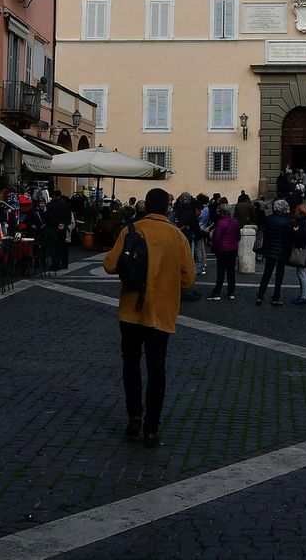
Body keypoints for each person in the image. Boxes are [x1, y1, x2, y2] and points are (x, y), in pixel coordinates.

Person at [103, 187, 194, 448]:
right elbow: (188, 280)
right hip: (161, 314)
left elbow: (109, 265)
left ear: (146, 206)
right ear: (167, 208)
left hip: (131, 312)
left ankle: (134, 414)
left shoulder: (130, 230)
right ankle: (152, 428)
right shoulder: (177, 237)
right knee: (157, 369)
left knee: (130, 364)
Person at [256, 199, 293, 307]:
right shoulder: (287, 221)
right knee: (279, 275)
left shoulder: (269, 219)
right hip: (282, 250)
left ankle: (260, 296)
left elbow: (265, 233)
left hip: (269, 249)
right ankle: (275, 298)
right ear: (284, 209)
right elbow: (289, 236)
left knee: (266, 273)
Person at [207, 204, 241, 301]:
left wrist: (214, 248)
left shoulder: (220, 223)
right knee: (231, 271)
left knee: (221, 272)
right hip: (233, 249)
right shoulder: (235, 222)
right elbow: (238, 237)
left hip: (222, 250)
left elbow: (216, 239)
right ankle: (231, 292)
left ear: (222, 213)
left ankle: (217, 292)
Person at [290, 201, 306, 306]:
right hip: (305, 251)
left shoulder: (302, 223)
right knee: (302, 273)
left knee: (302, 273)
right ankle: (304, 295)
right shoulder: (305, 222)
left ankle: (305, 296)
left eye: (296, 211)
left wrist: (294, 232)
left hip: (302, 251)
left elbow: (304, 237)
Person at [45, 190, 71, 270]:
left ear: (54, 196)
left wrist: (57, 224)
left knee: (53, 247)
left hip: (53, 228)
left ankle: (55, 264)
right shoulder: (66, 205)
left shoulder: (49, 205)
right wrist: (63, 225)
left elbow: (49, 217)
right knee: (61, 246)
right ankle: (62, 263)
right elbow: (68, 218)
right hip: (63, 229)